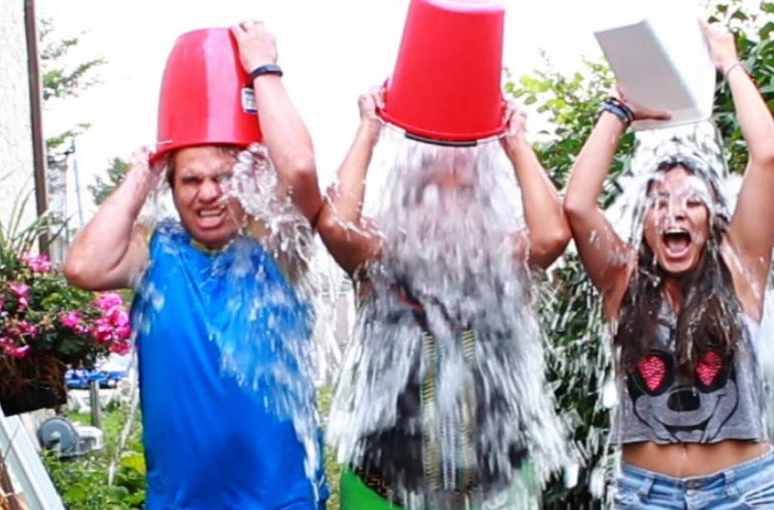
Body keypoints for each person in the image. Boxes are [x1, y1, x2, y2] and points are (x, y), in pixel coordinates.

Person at [63, 21, 327, 510]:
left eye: (223, 177)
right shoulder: (154, 251)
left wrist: (263, 70)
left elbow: (300, 169)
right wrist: (145, 170)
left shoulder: (278, 242)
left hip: (281, 501)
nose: (206, 193)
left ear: (247, 177)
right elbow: (83, 266)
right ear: (172, 184)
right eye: (190, 180)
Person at [563, 22, 774, 508]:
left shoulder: (740, 269)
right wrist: (618, 108)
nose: (675, 213)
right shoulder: (622, 283)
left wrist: (728, 62)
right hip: (645, 494)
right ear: (643, 221)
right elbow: (578, 205)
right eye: (659, 202)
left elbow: (766, 155)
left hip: (743, 490)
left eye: (691, 202)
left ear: (712, 220)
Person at [318, 90, 571, 509]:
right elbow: (337, 226)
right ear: (406, 204)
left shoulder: (500, 262)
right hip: (382, 493)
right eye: (431, 192)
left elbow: (552, 235)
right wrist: (369, 129)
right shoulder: (380, 261)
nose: (446, 210)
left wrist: (515, 142)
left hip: (498, 492)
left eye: (464, 194)